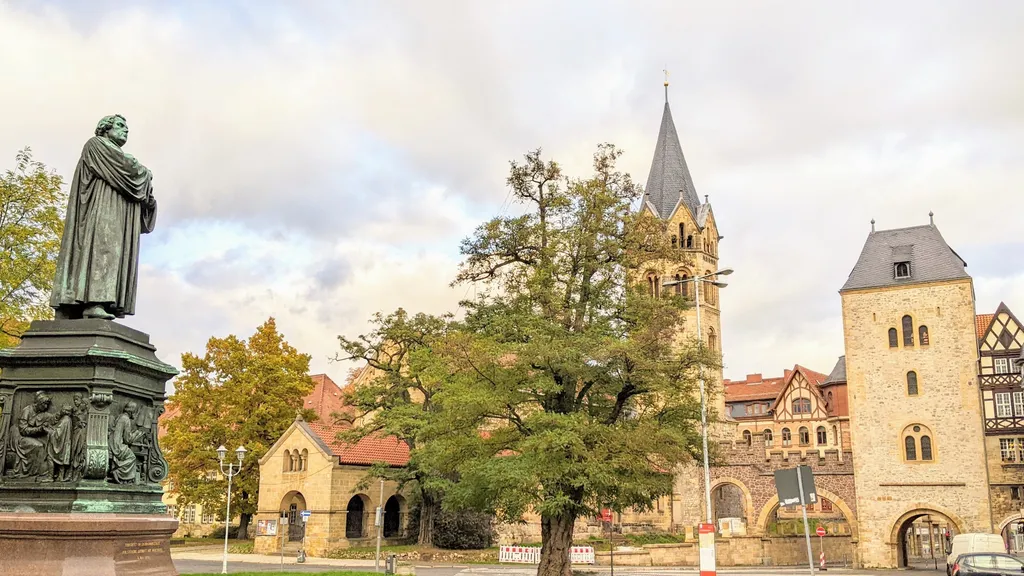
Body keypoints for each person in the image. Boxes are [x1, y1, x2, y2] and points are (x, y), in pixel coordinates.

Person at [50, 114, 158, 320]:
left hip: (116, 213)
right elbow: (130, 168)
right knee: (102, 249)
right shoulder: (96, 145)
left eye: (127, 127)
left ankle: (97, 303)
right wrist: (146, 173)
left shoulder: (115, 157)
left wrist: (148, 196)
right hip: (100, 211)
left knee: (111, 252)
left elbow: (135, 183)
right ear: (105, 129)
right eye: (120, 126)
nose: (125, 130)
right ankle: (92, 302)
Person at [109, 401, 145, 483]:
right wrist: (137, 434)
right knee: (132, 457)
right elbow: (127, 439)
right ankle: (118, 472)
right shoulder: (126, 419)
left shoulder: (121, 417)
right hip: (117, 446)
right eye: (135, 411)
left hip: (112, 442)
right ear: (131, 411)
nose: (135, 414)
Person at [47, 404, 74, 482]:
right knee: (61, 461)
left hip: (60, 444)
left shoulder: (65, 420)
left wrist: (50, 430)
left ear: (65, 411)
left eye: (62, 409)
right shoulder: (68, 419)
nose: (61, 410)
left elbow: (58, 433)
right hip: (64, 443)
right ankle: (61, 476)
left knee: (50, 457)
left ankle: (50, 477)